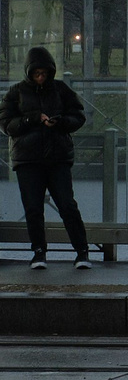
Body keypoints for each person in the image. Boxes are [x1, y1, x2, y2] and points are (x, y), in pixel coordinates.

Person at [3, 46, 89, 270]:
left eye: (44, 73)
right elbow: (6, 124)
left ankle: (82, 251)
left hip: (57, 158)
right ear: (29, 73)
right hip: (28, 160)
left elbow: (78, 116)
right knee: (33, 208)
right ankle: (39, 252)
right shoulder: (16, 92)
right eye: (36, 74)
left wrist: (60, 122)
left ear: (50, 72)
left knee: (67, 205)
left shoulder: (60, 89)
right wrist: (32, 119)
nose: (40, 78)